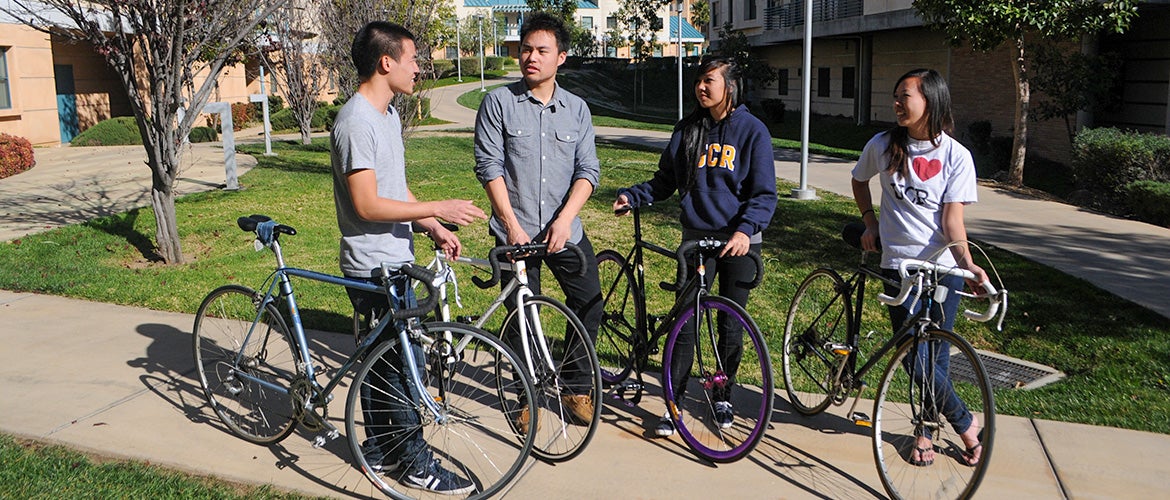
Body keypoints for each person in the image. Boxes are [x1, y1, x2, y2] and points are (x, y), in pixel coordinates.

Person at [331, 21, 486, 494]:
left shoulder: (388, 116)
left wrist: (433, 226)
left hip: (395, 259)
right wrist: (439, 206)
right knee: (404, 368)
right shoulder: (356, 122)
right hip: (372, 265)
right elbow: (366, 205)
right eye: (414, 59)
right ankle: (416, 463)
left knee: (385, 366)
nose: (420, 68)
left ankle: (379, 451)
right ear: (387, 62)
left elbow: (394, 190)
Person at [613, 58, 777, 437]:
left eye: (709, 80)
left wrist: (745, 230)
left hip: (739, 242)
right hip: (696, 240)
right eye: (699, 81)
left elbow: (764, 194)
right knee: (684, 324)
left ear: (730, 85)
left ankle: (722, 394)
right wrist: (632, 196)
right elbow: (664, 181)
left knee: (731, 326)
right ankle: (674, 401)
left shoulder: (753, 131)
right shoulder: (688, 129)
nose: (701, 87)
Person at [851, 68, 989, 467]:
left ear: (931, 101)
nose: (897, 103)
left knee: (936, 355)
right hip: (899, 265)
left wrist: (968, 266)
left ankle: (925, 431)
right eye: (895, 96)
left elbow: (952, 222)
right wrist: (870, 222)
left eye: (905, 96)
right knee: (914, 356)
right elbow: (859, 180)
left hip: (943, 269)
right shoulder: (882, 145)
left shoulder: (956, 156)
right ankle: (966, 424)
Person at [473, 11, 603, 433]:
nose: (531, 57)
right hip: (516, 231)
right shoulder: (498, 103)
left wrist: (565, 221)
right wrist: (511, 225)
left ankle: (575, 387)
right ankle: (524, 394)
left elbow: (588, 171)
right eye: (526, 49)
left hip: (565, 232)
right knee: (521, 316)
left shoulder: (577, 110)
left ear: (560, 57)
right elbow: (489, 167)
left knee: (589, 303)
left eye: (542, 50)